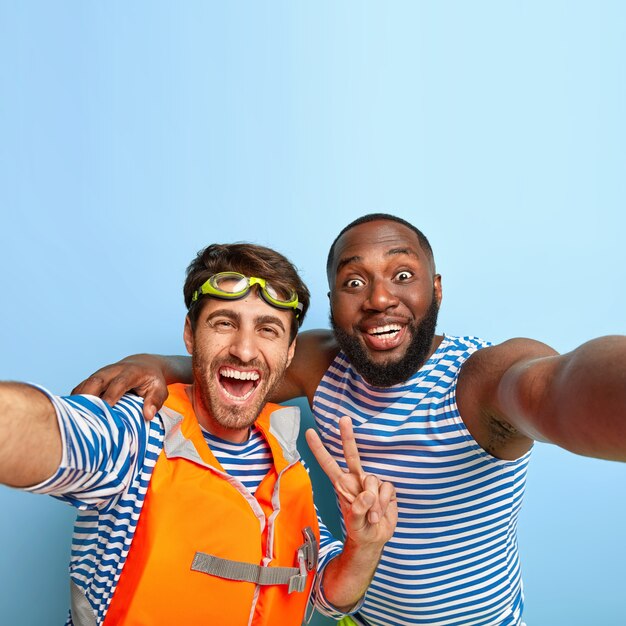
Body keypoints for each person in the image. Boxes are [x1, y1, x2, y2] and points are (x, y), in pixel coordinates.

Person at [75, 215, 626, 626]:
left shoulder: (480, 380)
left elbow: (555, 386)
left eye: (403, 274)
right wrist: (154, 365)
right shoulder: (321, 362)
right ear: (335, 303)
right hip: (353, 615)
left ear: (436, 289)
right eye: (354, 282)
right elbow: (243, 362)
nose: (379, 298)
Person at [0, 242, 397, 626]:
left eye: (268, 330)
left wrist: (364, 549)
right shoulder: (137, 434)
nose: (244, 350)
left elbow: (325, 596)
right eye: (224, 323)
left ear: (290, 352)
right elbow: (41, 431)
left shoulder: (286, 455)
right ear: (191, 334)